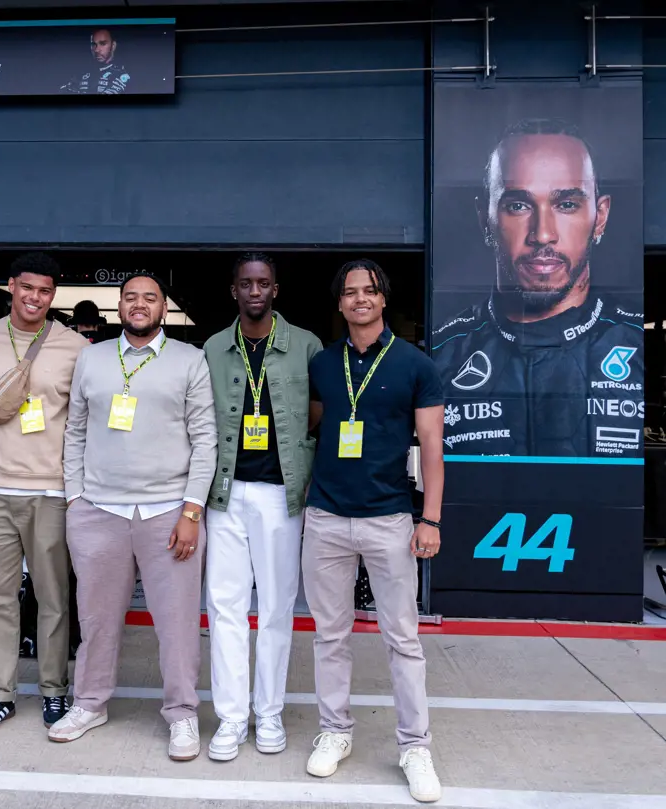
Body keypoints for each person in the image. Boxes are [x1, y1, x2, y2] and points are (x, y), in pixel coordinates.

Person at [49, 271, 217, 761]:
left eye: (150, 298)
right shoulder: (93, 358)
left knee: (177, 622)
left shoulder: (191, 360)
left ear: (164, 308)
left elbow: (205, 439)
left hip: (168, 510)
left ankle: (182, 713)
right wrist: (76, 497)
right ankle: (90, 703)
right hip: (98, 510)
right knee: (97, 619)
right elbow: (74, 430)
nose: (139, 305)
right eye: (130, 298)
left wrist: (192, 509)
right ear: (117, 307)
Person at [304, 260, 444, 804]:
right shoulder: (322, 362)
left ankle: (415, 746)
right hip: (327, 517)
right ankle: (335, 732)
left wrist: (429, 517)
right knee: (329, 635)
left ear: (383, 299)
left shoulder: (415, 365)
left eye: (369, 291)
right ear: (338, 303)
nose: (360, 299)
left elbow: (431, 447)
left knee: (402, 639)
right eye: (349, 292)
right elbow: (315, 424)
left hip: (389, 519)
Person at [431, 118, 644, 458]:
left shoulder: (640, 342)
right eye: (518, 205)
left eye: (567, 204)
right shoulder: (443, 353)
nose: (543, 234)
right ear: (485, 217)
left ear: (600, 216)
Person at [201, 253, 323, 761]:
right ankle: (231, 718)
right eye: (246, 284)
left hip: (280, 495)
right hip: (224, 494)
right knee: (225, 608)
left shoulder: (306, 346)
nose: (255, 291)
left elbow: (320, 412)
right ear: (234, 291)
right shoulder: (212, 348)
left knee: (275, 608)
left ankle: (268, 712)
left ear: (276, 290)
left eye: (264, 283)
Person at [0, 252, 89, 736]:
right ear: (11, 287)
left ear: (52, 295)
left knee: (54, 596)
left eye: (45, 291)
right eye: (28, 288)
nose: (36, 298)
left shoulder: (75, 346)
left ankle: (55, 690)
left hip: (51, 489)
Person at [60, 28, 130, 95]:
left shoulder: (121, 74)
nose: (96, 50)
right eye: (93, 44)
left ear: (113, 46)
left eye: (102, 44)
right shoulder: (81, 73)